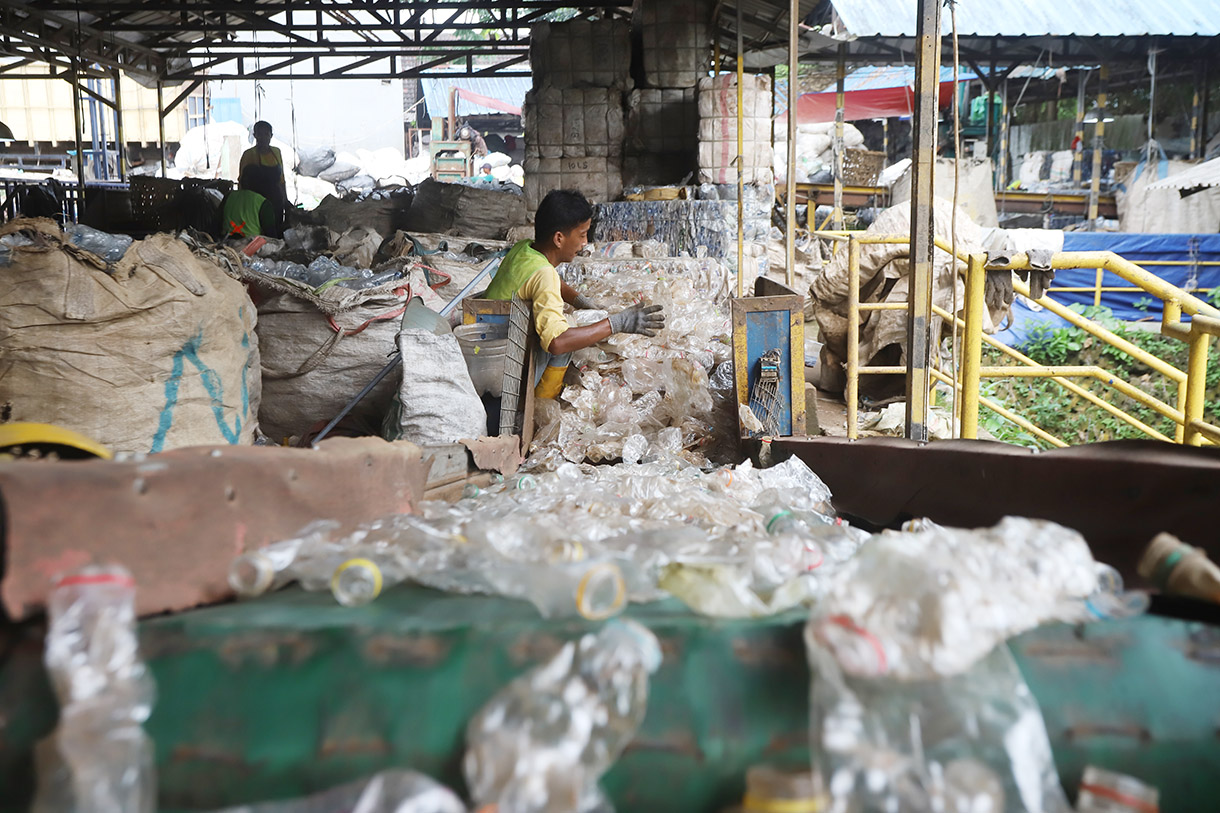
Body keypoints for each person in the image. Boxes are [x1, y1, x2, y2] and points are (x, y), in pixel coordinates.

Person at [485, 189, 664, 399]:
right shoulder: (544, 275)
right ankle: (541, 404)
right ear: (559, 239)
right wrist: (616, 323)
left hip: (488, 351)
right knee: (567, 340)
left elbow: (547, 280)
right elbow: (557, 342)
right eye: (581, 235)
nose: (585, 242)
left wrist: (581, 301)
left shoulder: (523, 249)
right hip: (504, 374)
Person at [239, 120, 287, 237]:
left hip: (276, 199)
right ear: (255, 135)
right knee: (262, 230)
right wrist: (242, 204)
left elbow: (281, 179)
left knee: (276, 230)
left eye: (266, 134)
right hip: (257, 201)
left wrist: (285, 199)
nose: (263, 137)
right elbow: (242, 180)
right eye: (260, 134)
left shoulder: (276, 152)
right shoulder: (249, 155)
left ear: (271, 135)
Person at [222, 166, 275, 238]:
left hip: (225, 244)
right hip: (252, 246)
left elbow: (216, 223)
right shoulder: (263, 203)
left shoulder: (228, 196)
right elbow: (271, 235)